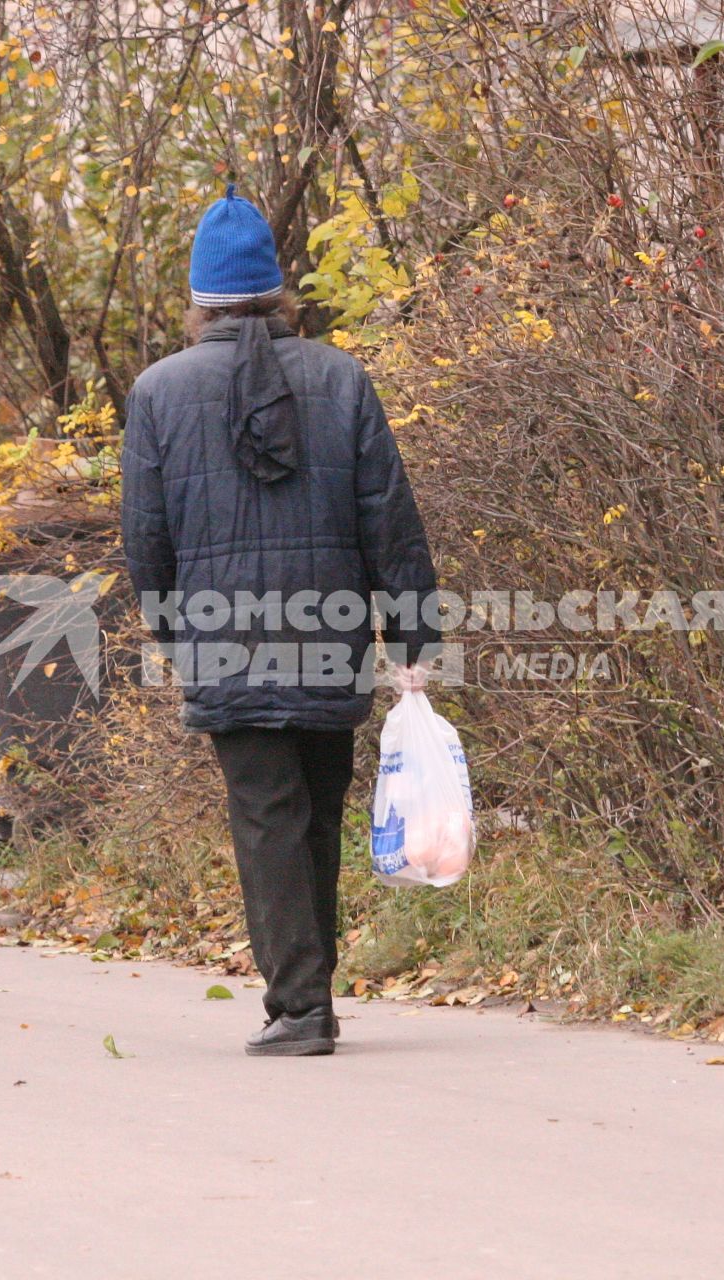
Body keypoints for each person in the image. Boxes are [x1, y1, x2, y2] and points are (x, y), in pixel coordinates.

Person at [120, 184, 439, 1057]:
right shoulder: (339, 377)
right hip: (330, 634)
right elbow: (389, 516)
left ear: (198, 300)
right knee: (315, 815)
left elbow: (146, 536)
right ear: (276, 289)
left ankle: (300, 1008)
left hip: (223, 636)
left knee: (266, 815)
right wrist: (411, 636)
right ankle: (311, 997)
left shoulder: (157, 391)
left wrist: (170, 633)